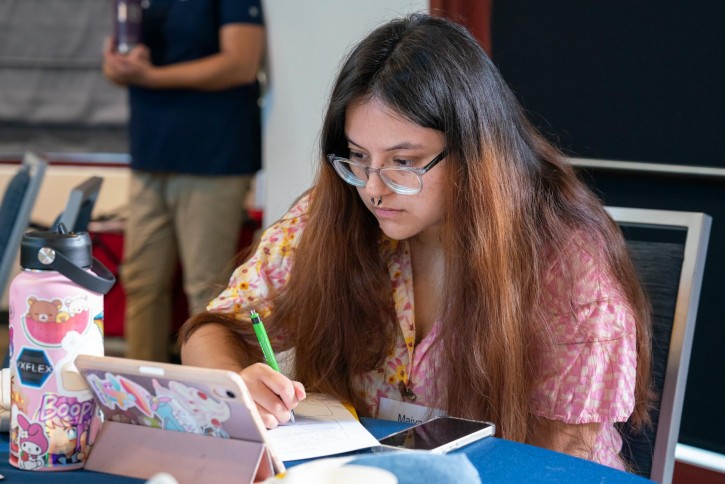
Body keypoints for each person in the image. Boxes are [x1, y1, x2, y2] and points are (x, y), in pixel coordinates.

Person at [179, 13, 652, 470]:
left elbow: (559, 462)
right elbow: (214, 329)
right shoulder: (333, 217)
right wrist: (238, 384)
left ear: (474, 151)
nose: (373, 188)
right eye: (358, 157)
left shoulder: (565, 262)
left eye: (404, 162)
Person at [102, 0, 265, 361]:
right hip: (150, 154)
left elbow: (241, 63)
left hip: (212, 156)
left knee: (205, 289)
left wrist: (152, 78)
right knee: (141, 282)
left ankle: (209, 402)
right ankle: (139, 398)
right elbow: (121, 67)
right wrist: (118, 67)